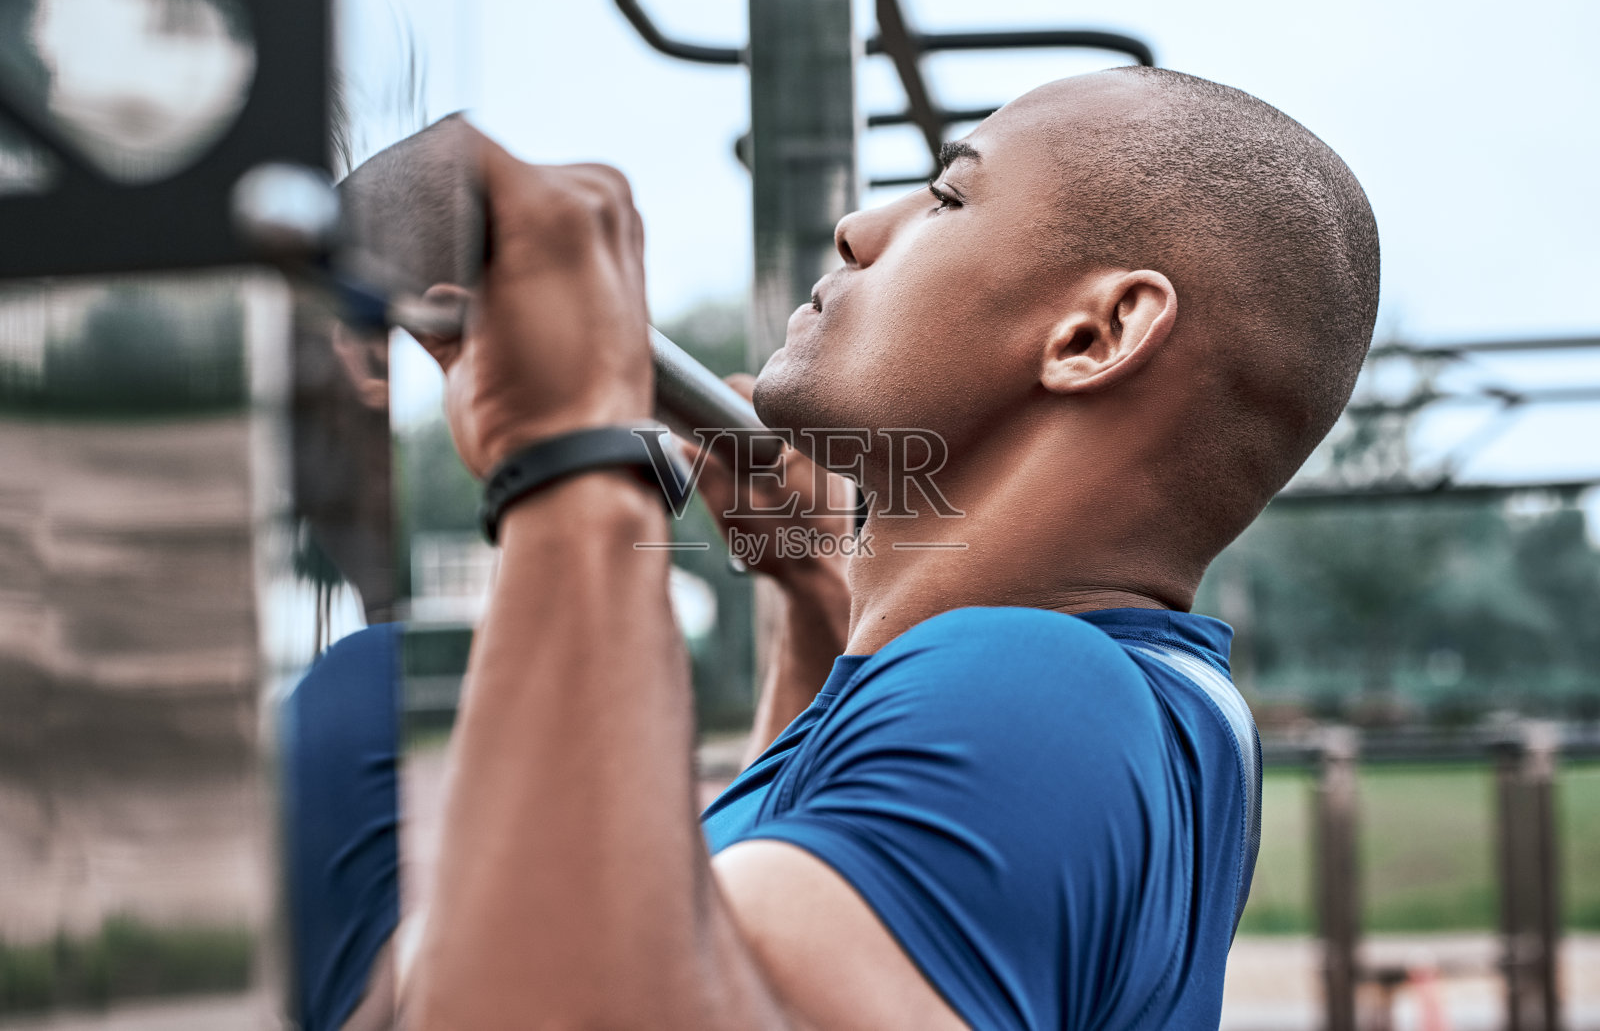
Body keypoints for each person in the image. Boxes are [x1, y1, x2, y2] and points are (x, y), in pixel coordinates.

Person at [328, 64, 1379, 1029]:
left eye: (948, 197)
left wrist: (568, 459)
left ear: (1091, 336)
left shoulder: (1030, 692)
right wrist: (816, 611)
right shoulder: (1164, 711)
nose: (858, 227)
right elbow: (731, 941)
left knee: (340, 713)